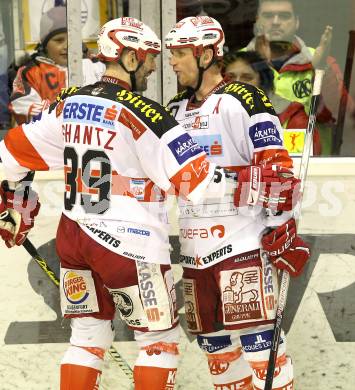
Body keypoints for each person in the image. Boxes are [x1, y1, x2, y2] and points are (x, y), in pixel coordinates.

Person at [0, 16, 244, 390]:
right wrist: (251, 183)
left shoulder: (68, 103)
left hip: (73, 237)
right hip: (129, 242)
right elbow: (198, 182)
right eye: (147, 59)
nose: (152, 66)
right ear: (129, 59)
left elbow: (10, 155)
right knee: (159, 342)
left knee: (85, 338)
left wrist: (15, 205)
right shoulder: (146, 114)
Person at [165, 15, 310, 390]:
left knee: (262, 352)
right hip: (194, 250)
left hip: (240, 244)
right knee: (216, 352)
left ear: (207, 55)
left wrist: (281, 226)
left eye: (180, 53)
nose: (173, 61)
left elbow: (277, 172)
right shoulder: (174, 109)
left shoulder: (244, 99)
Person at [245, 0, 338, 155]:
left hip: (313, 172)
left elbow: (340, 116)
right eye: (268, 16)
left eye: (284, 16)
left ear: (297, 22)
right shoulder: (237, 66)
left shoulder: (321, 61)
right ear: (257, 21)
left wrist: (319, 71)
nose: (275, 22)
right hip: (253, 170)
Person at [9, 6, 105, 125]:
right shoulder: (31, 72)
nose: (67, 45)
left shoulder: (97, 66)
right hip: (48, 138)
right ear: (44, 45)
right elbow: (21, 106)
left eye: (72, 38)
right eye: (59, 40)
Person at [224, 50, 322, 155]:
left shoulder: (293, 117)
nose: (237, 83)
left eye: (247, 78)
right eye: (230, 77)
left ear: (262, 82)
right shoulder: (211, 113)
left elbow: (304, 166)